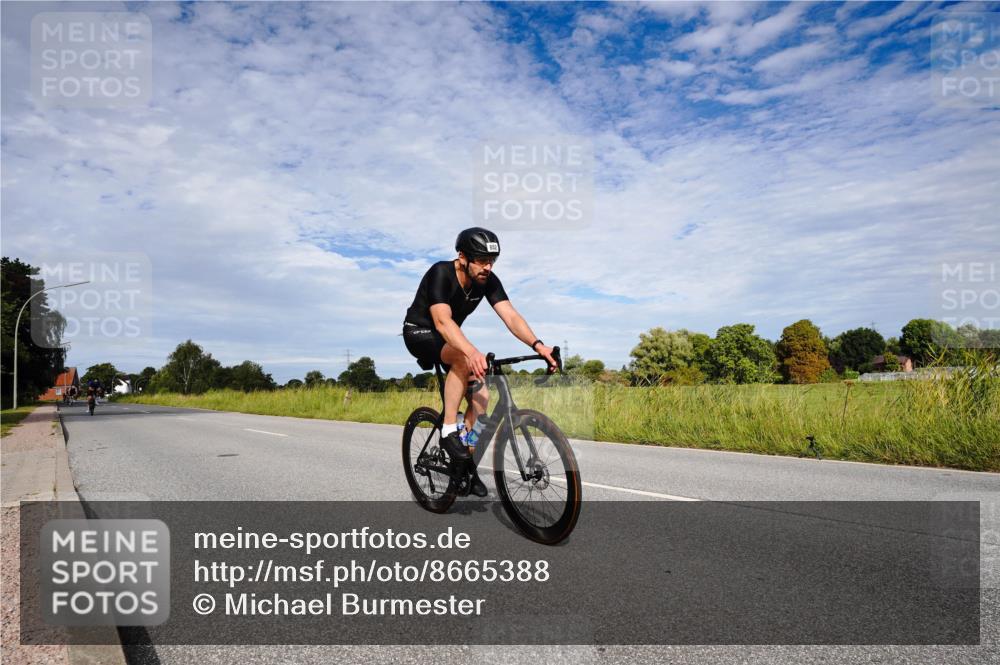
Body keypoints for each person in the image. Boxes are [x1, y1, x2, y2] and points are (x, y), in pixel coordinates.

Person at [403, 227, 557, 497]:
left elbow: (511, 316)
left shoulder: (488, 280)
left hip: (449, 338)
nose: (488, 267)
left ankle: (465, 465)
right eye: (482, 260)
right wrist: (472, 352)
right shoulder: (441, 273)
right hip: (420, 332)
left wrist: (538, 344)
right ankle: (449, 429)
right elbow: (441, 321)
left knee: (481, 402)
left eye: (492, 261)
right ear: (463, 257)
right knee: (463, 359)